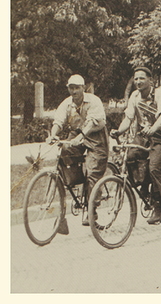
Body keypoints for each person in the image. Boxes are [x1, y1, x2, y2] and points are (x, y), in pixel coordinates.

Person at [111, 67, 161, 224]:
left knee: (154, 168)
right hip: (143, 137)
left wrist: (153, 129)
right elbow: (129, 118)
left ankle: (159, 207)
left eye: (142, 78)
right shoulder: (135, 96)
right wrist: (118, 131)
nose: (138, 82)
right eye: (136, 79)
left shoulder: (160, 93)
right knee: (129, 157)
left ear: (150, 80)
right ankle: (144, 188)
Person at [47, 74, 109, 226]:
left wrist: (80, 137)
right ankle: (77, 183)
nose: (73, 91)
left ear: (83, 88)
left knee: (93, 171)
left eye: (77, 88)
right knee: (64, 152)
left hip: (96, 137)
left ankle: (91, 209)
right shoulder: (67, 103)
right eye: (71, 88)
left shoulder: (94, 101)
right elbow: (59, 121)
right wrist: (53, 135)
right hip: (77, 133)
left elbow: (92, 124)